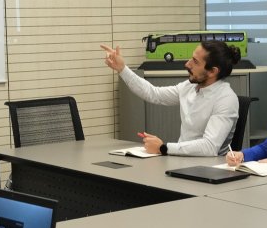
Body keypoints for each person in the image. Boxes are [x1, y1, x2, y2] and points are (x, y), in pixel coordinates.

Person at [101, 39, 241, 156]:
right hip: (181, 161)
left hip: (209, 170)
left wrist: (163, 148)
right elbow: (154, 94)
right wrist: (122, 69)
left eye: (195, 61)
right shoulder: (189, 87)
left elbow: (209, 147)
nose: (187, 64)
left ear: (212, 71)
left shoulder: (226, 99)